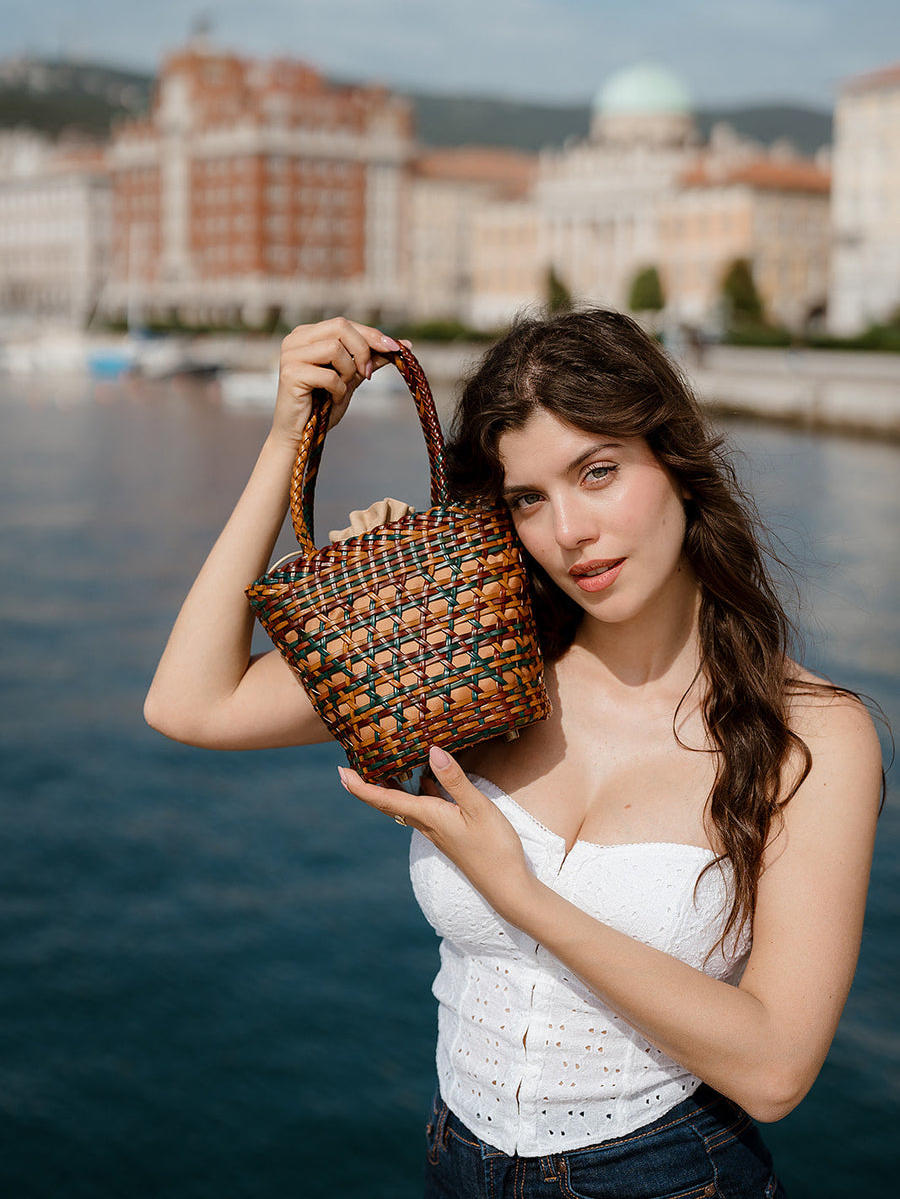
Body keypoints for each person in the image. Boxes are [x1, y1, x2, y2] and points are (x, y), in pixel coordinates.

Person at [145, 312, 883, 1198]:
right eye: (528, 498)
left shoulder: (811, 731)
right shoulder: (478, 657)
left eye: (598, 472)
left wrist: (518, 891)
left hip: (675, 1176)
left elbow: (774, 1070)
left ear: (679, 463)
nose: (568, 530)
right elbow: (191, 703)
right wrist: (284, 442)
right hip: (456, 1165)